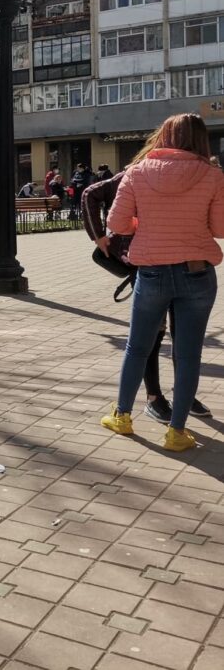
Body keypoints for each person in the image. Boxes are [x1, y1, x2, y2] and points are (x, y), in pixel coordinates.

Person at [102, 114, 224, 451]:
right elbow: (220, 229)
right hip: (197, 272)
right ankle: (176, 432)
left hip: (152, 271)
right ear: (201, 139)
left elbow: (117, 223)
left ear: (164, 136)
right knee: (188, 355)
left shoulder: (137, 172)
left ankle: (122, 416)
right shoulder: (213, 175)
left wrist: (146, 223)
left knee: (137, 347)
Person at [83, 171, 211, 424]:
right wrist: (99, 236)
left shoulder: (192, 171)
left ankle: (183, 396)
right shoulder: (139, 172)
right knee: (153, 333)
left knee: (180, 335)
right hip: (148, 262)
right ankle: (154, 397)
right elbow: (91, 194)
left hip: (184, 261)